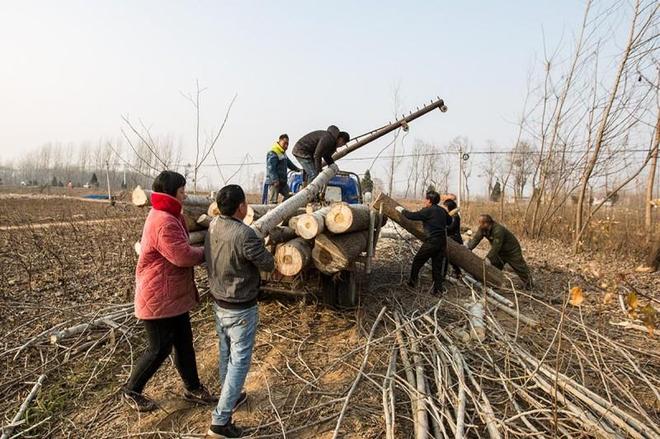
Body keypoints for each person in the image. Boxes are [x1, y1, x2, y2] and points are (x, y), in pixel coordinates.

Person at [123, 171, 215, 412]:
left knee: (184, 343)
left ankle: (193, 388)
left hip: (171, 294)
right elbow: (182, 256)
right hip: (158, 295)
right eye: (182, 191)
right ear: (172, 192)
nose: (185, 195)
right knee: (159, 347)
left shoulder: (168, 215)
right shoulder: (163, 220)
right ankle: (131, 390)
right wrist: (208, 252)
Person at [205, 184, 275, 438]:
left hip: (219, 301)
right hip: (240, 308)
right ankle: (220, 422)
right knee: (239, 362)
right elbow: (268, 263)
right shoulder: (245, 235)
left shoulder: (213, 225)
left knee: (226, 354)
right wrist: (263, 244)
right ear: (241, 207)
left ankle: (230, 397)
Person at [395, 190, 451, 295]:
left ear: (429, 200)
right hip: (442, 242)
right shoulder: (442, 210)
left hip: (432, 242)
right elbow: (450, 221)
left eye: (426, 199)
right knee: (437, 267)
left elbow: (412, 216)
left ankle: (412, 284)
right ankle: (437, 291)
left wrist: (402, 210)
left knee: (417, 261)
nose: (424, 201)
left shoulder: (428, 211)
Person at [466, 214, 533, 289]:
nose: (479, 224)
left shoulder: (498, 230)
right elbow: (476, 239)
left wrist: (488, 258)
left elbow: (496, 246)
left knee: (520, 268)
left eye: (480, 222)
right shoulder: (482, 229)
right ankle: (494, 283)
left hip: (511, 251)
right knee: (494, 266)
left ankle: (529, 285)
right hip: (500, 252)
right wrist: (469, 248)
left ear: (486, 223)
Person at [265, 134, 300, 204]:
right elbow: (271, 168)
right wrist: (275, 180)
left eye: (287, 144)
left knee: (290, 196)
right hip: (275, 183)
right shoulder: (273, 152)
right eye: (284, 143)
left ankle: (281, 209)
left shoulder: (283, 153)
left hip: (282, 182)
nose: (286, 146)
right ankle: (272, 213)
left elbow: (289, 164)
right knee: (273, 202)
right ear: (280, 141)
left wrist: (298, 169)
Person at [443, 198, 463, 279]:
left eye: (445, 206)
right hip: (451, 238)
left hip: (455, 238)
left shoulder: (455, 216)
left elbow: (451, 228)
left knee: (447, 257)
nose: (444, 208)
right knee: (450, 258)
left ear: (449, 207)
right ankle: (458, 273)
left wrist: (441, 226)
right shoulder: (450, 215)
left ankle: (443, 275)